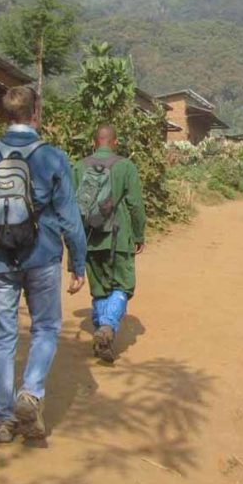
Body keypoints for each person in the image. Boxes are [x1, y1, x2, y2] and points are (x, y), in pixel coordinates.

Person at [0, 86, 87, 444]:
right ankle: (30, 393)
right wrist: (77, 263)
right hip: (43, 255)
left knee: (1, 338)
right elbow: (69, 216)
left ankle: (3, 420)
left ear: (7, 116)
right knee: (46, 326)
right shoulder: (53, 157)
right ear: (36, 113)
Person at [73, 124, 146, 363]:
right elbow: (135, 205)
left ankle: (101, 334)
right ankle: (107, 327)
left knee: (100, 289)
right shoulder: (125, 166)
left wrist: (75, 243)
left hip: (90, 239)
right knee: (123, 286)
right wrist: (138, 235)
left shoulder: (79, 167)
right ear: (115, 142)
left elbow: (72, 208)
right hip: (119, 238)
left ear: (95, 142)